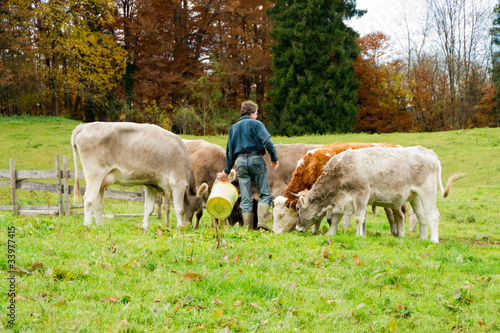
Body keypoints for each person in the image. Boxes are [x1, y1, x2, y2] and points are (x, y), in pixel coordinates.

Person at [220, 101, 279, 231]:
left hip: (240, 162)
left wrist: (226, 171)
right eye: (256, 113)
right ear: (252, 113)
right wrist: (274, 157)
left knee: (246, 198)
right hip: (256, 159)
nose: (257, 116)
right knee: (265, 194)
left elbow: (230, 152)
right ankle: (262, 223)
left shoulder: (233, 128)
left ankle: (248, 229)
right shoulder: (257, 124)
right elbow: (267, 141)